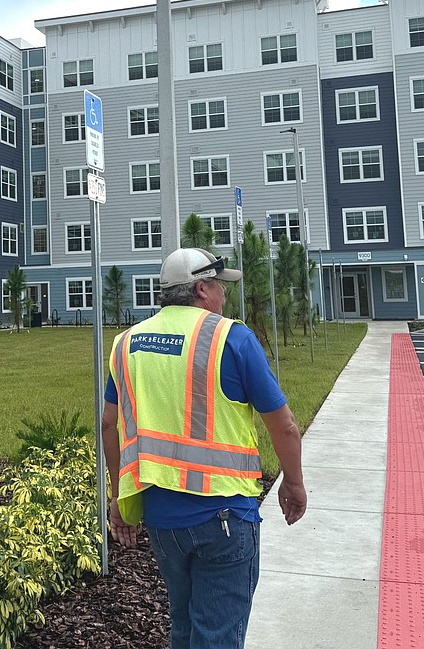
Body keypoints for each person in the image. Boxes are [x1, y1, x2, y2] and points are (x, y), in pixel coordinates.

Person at [101, 247, 307, 649]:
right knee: (217, 636)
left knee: (185, 626)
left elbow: (109, 424)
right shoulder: (231, 337)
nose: (224, 296)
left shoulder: (126, 343)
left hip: (163, 519)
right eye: (219, 286)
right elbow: (284, 426)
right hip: (225, 516)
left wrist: (117, 496)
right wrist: (293, 482)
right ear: (201, 289)